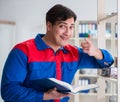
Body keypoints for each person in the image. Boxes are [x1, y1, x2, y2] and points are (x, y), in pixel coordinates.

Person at [1, 4, 114, 102]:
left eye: (71, 27)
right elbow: (8, 90)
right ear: (49, 26)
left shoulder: (74, 53)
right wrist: (44, 96)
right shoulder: (22, 51)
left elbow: (107, 62)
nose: (68, 33)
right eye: (62, 26)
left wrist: (96, 52)